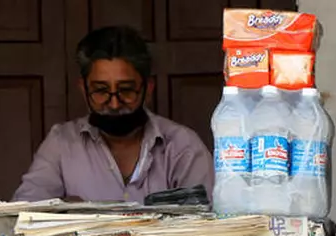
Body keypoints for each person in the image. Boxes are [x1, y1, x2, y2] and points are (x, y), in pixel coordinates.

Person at [13, 26, 213, 202]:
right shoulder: (61, 144)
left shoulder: (182, 145)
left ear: (148, 89)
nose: (115, 103)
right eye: (101, 91)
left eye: (126, 90)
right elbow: (26, 213)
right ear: (84, 90)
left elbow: (209, 223)